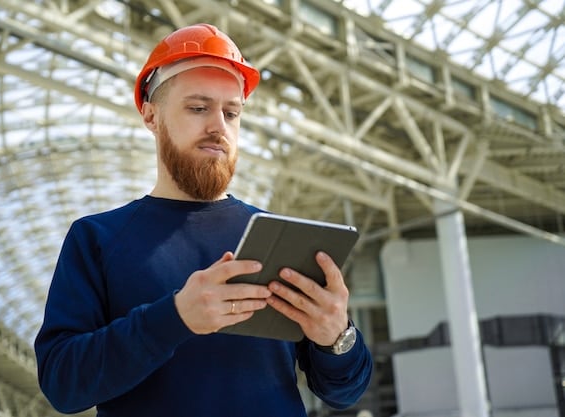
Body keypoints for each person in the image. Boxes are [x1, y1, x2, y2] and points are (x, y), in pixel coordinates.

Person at [34, 23, 372, 417]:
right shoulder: (97, 239)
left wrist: (337, 337)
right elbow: (63, 385)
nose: (219, 126)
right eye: (198, 108)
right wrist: (175, 317)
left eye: (232, 112)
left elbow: (344, 393)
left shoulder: (279, 239)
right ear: (150, 115)